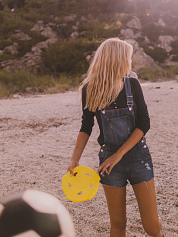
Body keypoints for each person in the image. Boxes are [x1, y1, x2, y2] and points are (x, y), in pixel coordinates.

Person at [68, 38, 163, 237]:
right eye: (127, 58)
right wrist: (74, 159)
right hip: (109, 161)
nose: (129, 63)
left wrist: (119, 154)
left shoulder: (132, 83)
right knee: (118, 224)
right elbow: (86, 126)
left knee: (152, 227)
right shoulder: (90, 88)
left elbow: (144, 123)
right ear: (116, 59)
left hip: (138, 157)